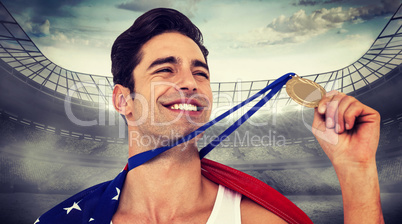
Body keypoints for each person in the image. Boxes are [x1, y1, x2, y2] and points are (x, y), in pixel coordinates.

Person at [37, 8, 384, 224]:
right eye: (165, 69)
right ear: (123, 99)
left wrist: (357, 170)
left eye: (200, 73)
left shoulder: (258, 221)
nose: (190, 83)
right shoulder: (67, 219)